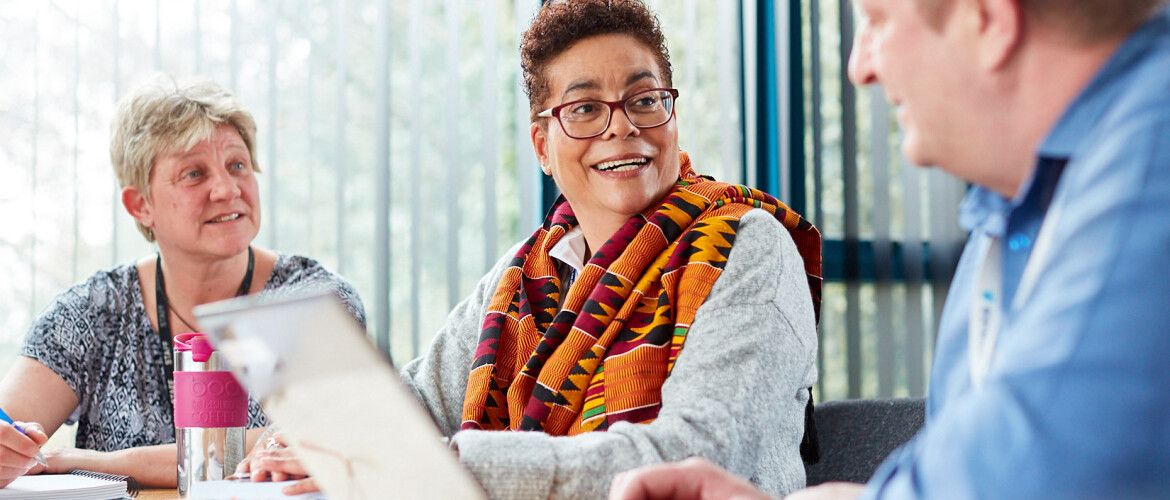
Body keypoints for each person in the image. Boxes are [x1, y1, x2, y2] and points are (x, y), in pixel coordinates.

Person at [250, 0, 823, 498]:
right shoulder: (529, 271)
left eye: (644, 99)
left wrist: (449, 462)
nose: (621, 126)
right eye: (584, 109)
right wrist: (314, 438)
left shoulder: (747, 248)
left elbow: (697, 459)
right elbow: (419, 402)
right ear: (542, 146)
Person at [609, 0, 1170, 499]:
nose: (860, 66)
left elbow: (1035, 472)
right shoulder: (1007, 215)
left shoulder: (1149, 178)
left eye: (877, 22)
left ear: (988, 21)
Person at [0, 76, 365, 488]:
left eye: (237, 165)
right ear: (141, 205)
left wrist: (75, 459)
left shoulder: (314, 300)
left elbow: (315, 442)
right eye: (194, 174)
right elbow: (9, 438)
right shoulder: (88, 313)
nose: (227, 189)